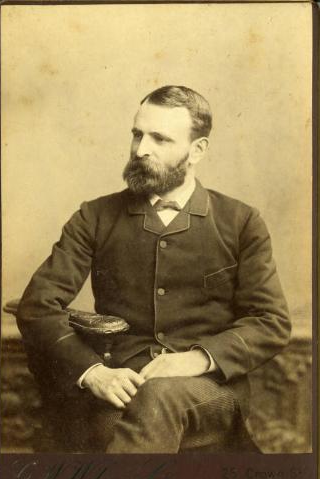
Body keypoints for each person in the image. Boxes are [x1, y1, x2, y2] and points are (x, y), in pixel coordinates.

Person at [16, 85, 291, 453]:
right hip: (123, 381)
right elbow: (38, 305)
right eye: (137, 134)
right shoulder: (94, 217)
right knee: (117, 419)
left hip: (211, 387)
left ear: (197, 150)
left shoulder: (240, 222)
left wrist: (196, 359)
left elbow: (271, 321)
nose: (141, 149)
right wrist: (93, 372)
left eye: (160, 138)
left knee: (156, 400)